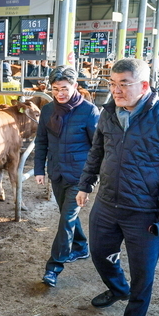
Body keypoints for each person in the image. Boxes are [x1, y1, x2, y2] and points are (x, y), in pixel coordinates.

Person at [76, 58, 159, 316]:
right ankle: (118, 288)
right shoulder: (108, 113)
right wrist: (86, 183)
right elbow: (97, 151)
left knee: (142, 271)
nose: (116, 90)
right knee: (100, 253)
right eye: (112, 84)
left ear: (144, 85)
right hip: (107, 202)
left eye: (124, 84)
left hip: (145, 210)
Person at [35, 66, 100, 287]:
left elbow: (97, 147)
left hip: (79, 176)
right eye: (55, 89)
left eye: (64, 88)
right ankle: (81, 247)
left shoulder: (89, 111)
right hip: (57, 172)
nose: (60, 93)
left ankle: (53, 267)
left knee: (66, 219)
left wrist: (91, 180)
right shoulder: (47, 110)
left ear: (74, 86)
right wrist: (39, 169)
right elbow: (41, 141)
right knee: (66, 214)